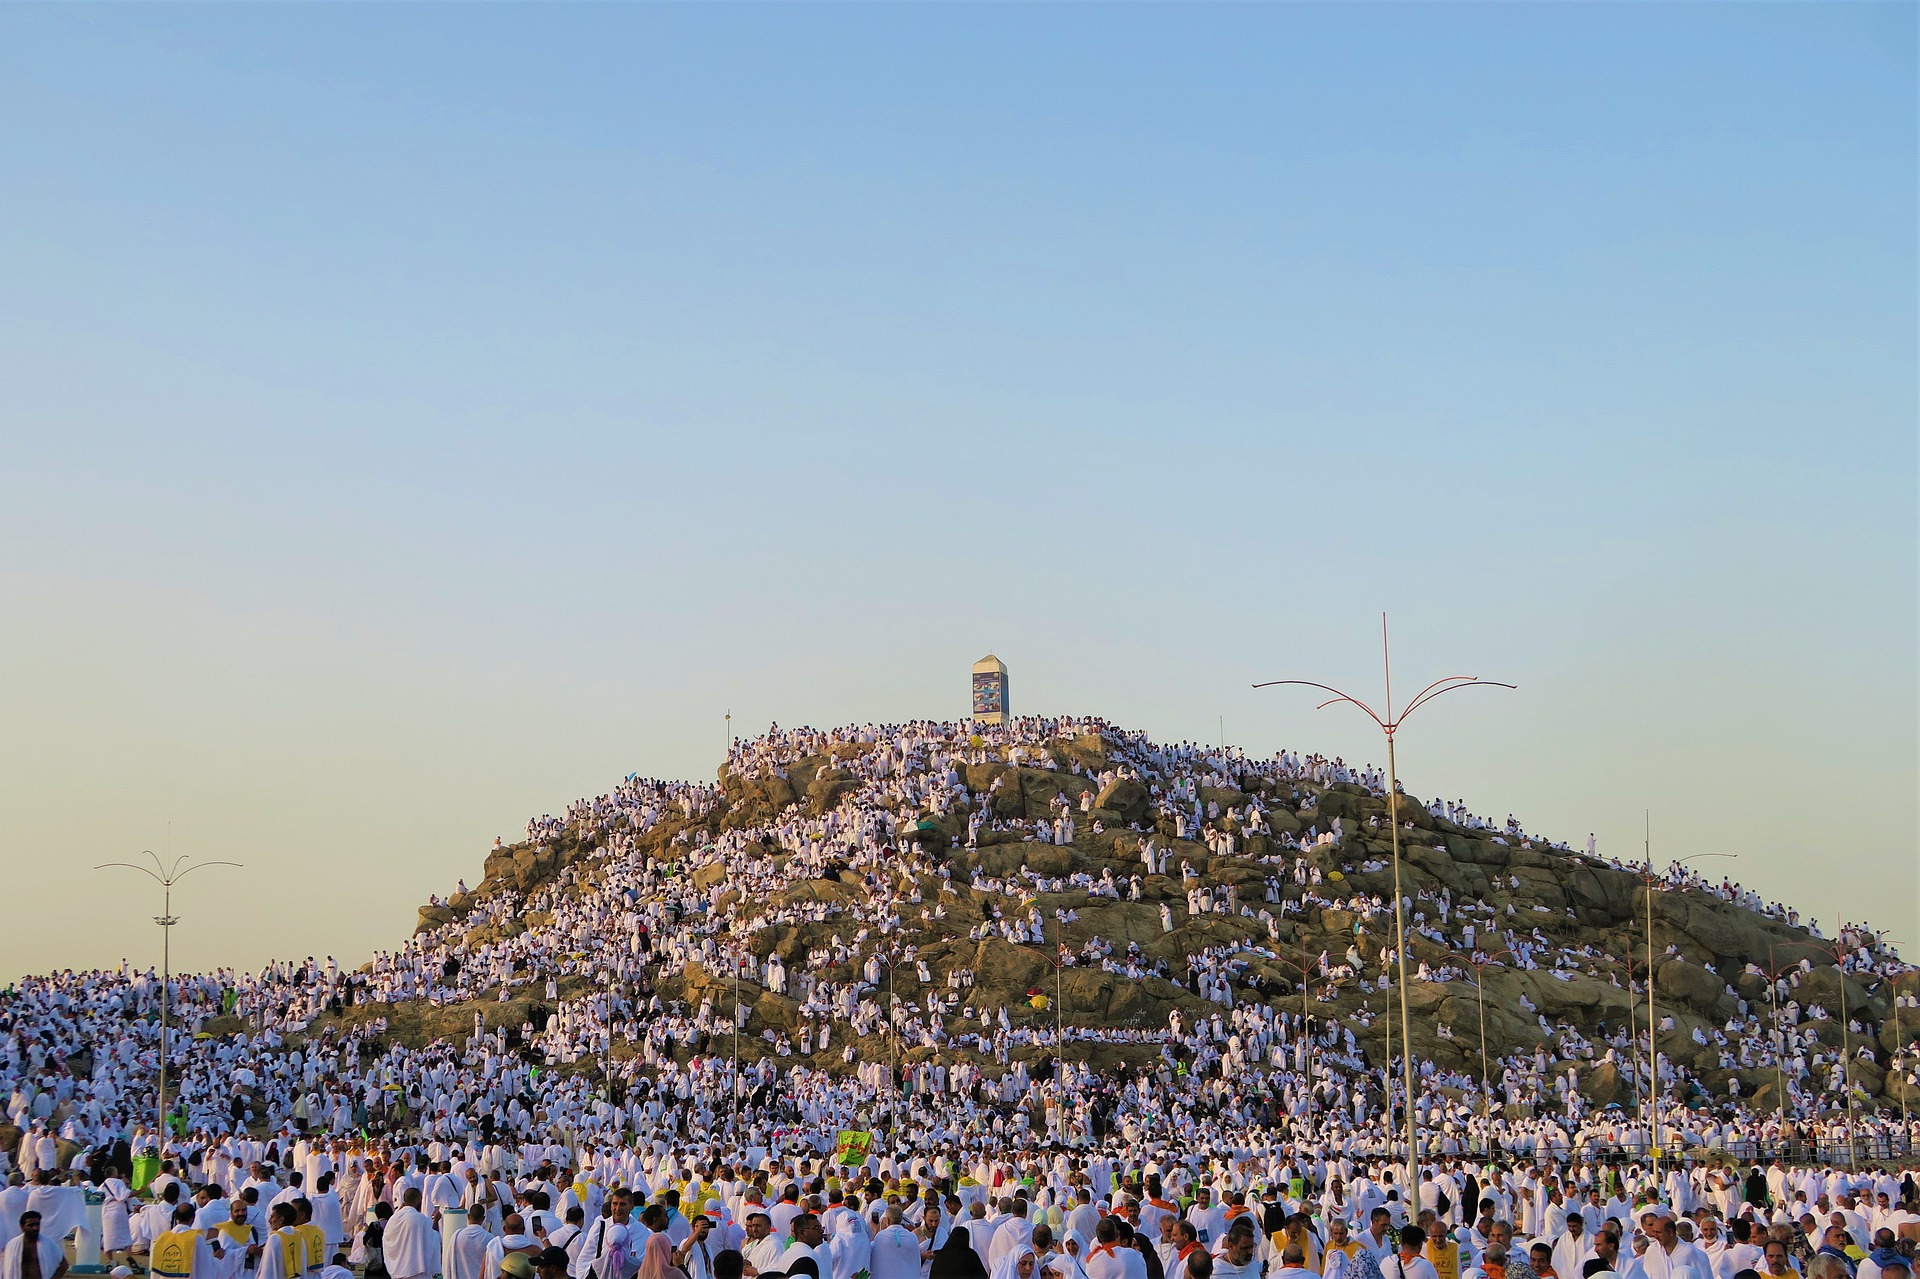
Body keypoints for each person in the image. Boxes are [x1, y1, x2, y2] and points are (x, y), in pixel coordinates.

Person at [384, 1191, 441, 1279]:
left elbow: (387, 1241)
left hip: (396, 1271)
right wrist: (436, 1222)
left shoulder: (393, 1219)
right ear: (417, 1199)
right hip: (415, 1272)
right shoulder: (420, 1218)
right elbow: (433, 1240)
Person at [2, 1212, 69, 1279]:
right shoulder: (12, 1245)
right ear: (22, 1227)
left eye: (37, 1224)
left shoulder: (49, 1243)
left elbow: (64, 1265)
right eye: (30, 1225)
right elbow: (7, 1269)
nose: (35, 1228)